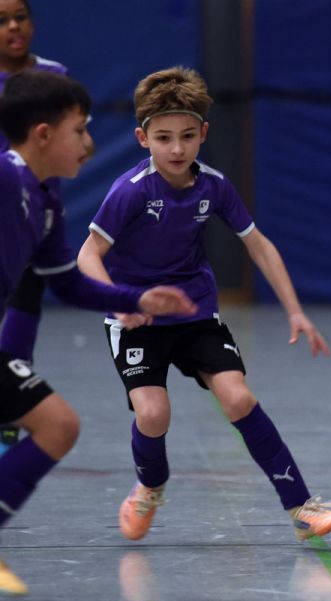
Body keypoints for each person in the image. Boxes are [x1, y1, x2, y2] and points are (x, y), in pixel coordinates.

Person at [76, 66, 331, 545]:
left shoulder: (214, 186)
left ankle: (302, 507)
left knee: (239, 398)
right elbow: (87, 255)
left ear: (203, 133)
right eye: (163, 138)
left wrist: (295, 310)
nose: (176, 149)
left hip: (194, 312)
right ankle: (150, 487)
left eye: (186, 136)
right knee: (153, 414)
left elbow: (259, 245)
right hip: (138, 318)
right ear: (142, 138)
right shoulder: (130, 191)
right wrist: (120, 303)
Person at [0, 70, 196, 597]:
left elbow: (67, 283)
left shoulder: (45, 202)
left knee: (58, 424)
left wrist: (135, 300)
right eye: (80, 130)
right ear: (43, 135)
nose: (89, 143)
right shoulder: (4, 178)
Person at [0, 0, 70, 455]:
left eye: (20, 17)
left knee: (26, 307)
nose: (13, 27)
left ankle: (9, 416)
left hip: (34, 218)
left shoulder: (54, 76)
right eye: (1, 21)